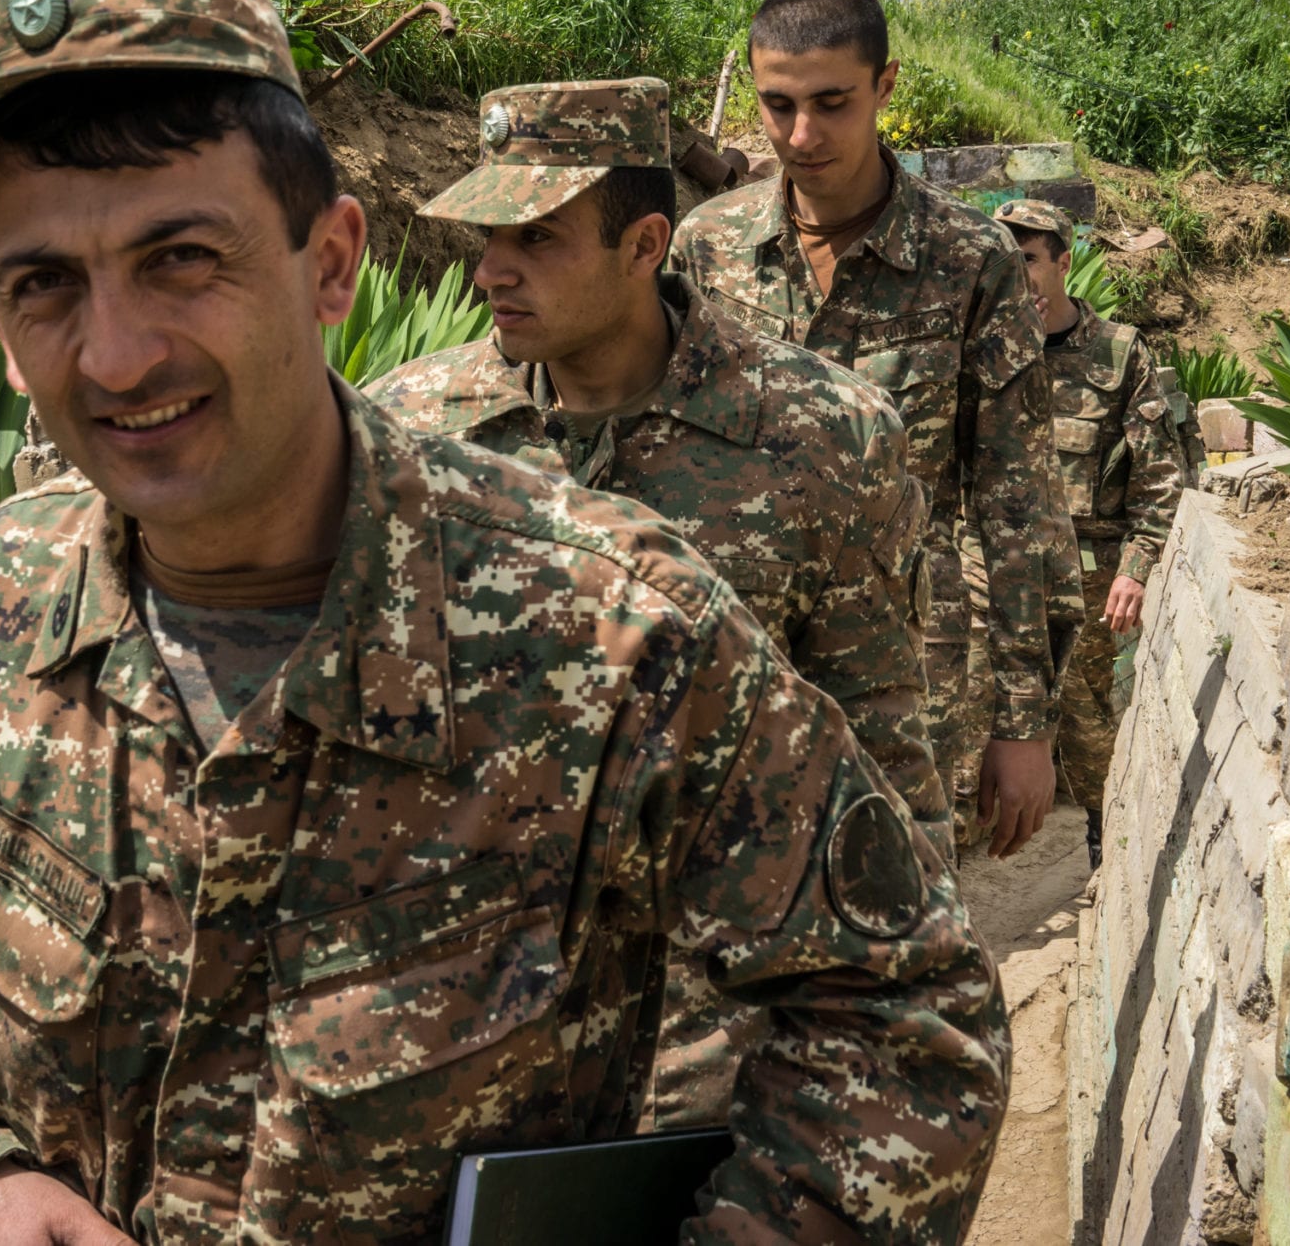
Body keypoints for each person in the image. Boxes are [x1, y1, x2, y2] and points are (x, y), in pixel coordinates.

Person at [0, 0, 1008, 1246]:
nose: (114, 354)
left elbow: (908, 1020)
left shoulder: (615, 633)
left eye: (182, 260)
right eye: (47, 285)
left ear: (331, 266)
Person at [368, 75, 941, 1129]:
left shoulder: (822, 435)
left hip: (709, 1037)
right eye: (486, 236)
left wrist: (887, 1032)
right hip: (461, 1024)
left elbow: (882, 753)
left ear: (644, 245)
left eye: (536, 237)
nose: (491, 271)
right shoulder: (407, 432)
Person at [671, 0, 1083, 860]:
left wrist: (1025, 721)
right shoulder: (705, 250)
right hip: (727, 661)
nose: (802, 135)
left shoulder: (971, 261)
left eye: (831, 103)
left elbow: (1018, 500)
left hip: (905, 677)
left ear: (885, 87)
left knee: (900, 936)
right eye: (777, 106)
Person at [993, 199, 1186, 868]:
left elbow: (1161, 476)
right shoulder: (983, 350)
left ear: (1064, 262)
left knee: (1088, 728)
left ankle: (1111, 855)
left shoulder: (1118, 352)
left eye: (1027, 263)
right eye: (1004, 265)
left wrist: (1135, 567)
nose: (1017, 281)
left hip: (1088, 576)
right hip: (994, 569)